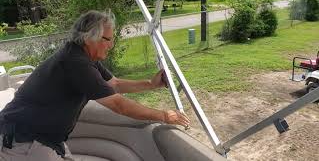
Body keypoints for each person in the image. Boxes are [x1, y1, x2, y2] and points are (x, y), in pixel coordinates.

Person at [0, 10, 190, 161]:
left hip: (43, 140)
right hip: (23, 141)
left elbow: (113, 84)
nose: (112, 44)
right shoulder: (75, 62)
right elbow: (118, 105)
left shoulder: (82, 57)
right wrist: (164, 115)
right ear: (90, 38)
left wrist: (150, 84)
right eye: (109, 39)